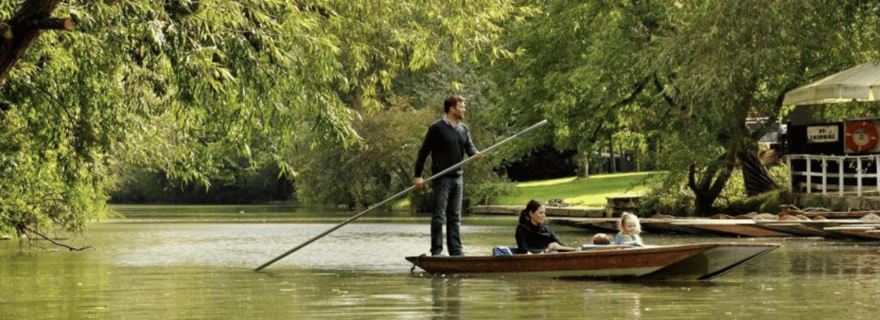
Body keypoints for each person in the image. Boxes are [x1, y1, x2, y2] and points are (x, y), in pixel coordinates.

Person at [413, 95, 483, 256]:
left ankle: (456, 251)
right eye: (461, 107)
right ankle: (436, 251)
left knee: (455, 217)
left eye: (464, 106)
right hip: (441, 178)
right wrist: (418, 175)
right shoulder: (436, 128)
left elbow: (469, 147)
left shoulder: (464, 128)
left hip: (458, 178)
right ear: (451, 108)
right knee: (438, 216)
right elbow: (423, 152)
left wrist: (475, 154)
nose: (464, 109)